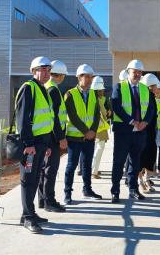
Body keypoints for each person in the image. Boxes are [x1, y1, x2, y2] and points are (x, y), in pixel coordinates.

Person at [15, 56, 54, 233]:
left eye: (48, 70)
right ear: (33, 71)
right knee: (28, 180)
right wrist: (28, 144)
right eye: (43, 69)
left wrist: (45, 145)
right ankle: (28, 218)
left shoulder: (42, 89)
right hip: (31, 145)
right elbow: (23, 120)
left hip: (41, 143)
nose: (46, 72)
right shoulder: (28, 88)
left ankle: (29, 213)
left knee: (35, 178)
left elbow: (44, 118)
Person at [110, 60, 156, 203]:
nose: (137, 74)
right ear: (128, 72)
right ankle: (115, 191)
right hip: (123, 131)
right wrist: (132, 121)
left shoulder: (144, 89)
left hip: (140, 132)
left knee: (135, 163)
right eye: (134, 71)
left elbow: (151, 109)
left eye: (139, 72)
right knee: (119, 162)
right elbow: (116, 106)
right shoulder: (119, 87)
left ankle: (133, 189)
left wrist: (145, 122)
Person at [63, 64, 102, 205]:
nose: (90, 79)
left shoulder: (93, 93)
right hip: (74, 137)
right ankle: (67, 193)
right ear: (79, 77)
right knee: (71, 166)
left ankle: (87, 190)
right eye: (87, 77)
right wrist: (87, 131)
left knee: (87, 165)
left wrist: (92, 131)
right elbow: (72, 116)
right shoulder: (70, 94)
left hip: (89, 138)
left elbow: (96, 114)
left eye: (91, 77)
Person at [38, 60, 69, 213]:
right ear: (61, 75)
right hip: (52, 138)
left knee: (45, 169)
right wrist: (61, 137)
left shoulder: (47, 87)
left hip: (46, 135)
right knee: (51, 169)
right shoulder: (54, 90)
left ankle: (43, 201)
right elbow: (55, 117)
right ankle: (49, 201)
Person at [139, 73, 160, 192]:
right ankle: (140, 182)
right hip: (142, 132)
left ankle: (147, 179)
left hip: (152, 132)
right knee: (140, 158)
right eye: (153, 86)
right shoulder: (141, 96)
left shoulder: (153, 97)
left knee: (150, 158)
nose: (155, 88)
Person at [91, 76, 111, 179]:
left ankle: (94, 169)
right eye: (101, 89)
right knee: (99, 148)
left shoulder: (99, 98)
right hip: (99, 127)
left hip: (99, 127)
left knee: (97, 148)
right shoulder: (95, 100)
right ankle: (94, 171)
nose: (103, 91)